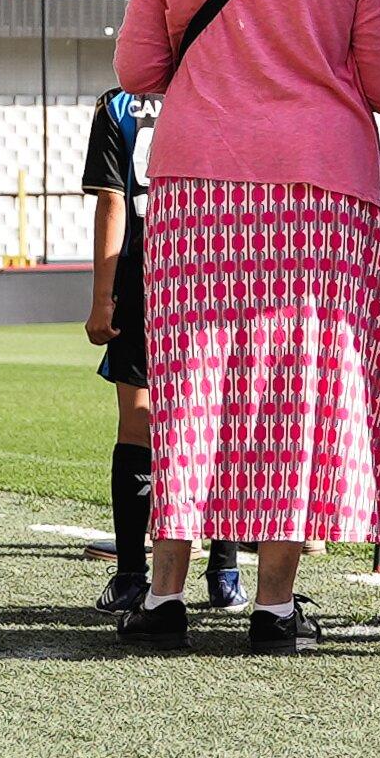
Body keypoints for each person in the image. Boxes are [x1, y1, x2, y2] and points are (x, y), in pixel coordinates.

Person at [110, 0, 380, 655]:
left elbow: (138, 69)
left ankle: (165, 594)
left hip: (200, 183)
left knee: (191, 384)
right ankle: (274, 606)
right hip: (322, 195)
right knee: (301, 394)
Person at [82, 86, 242, 613]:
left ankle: (132, 576)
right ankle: (224, 572)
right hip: (217, 274)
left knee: (137, 424)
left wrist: (103, 297)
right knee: (222, 422)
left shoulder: (119, 104)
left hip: (143, 276)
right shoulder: (222, 87)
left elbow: (112, 200)